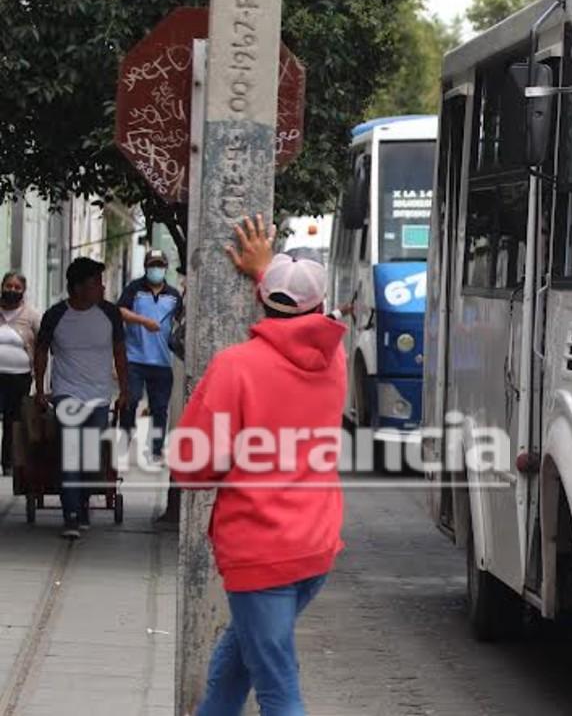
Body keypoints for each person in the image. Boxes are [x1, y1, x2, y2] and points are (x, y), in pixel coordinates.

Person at [172, 215, 347, 716]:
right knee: (236, 666)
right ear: (318, 309)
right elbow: (303, 318)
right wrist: (269, 271)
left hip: (261, 551)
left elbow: (192, 467)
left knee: (278, 689)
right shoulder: (333, 361)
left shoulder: (236, 366)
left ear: (259, 299)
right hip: (315, 545)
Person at [33, 258, 128, 539]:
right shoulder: (56, 315)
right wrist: (40, 389)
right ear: (77, 288)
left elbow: (120, 353)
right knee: (71, 455)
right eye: (95, 283)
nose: (101, 287)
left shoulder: (110, 314)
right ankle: (71, 515)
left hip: (99, 397)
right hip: (67, 395)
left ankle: (83, 502)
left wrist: (125, 390)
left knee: (90, 456)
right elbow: (41, 351)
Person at [118, 249, 182, 466]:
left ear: (165, 267)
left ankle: (155, 450)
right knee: (131, 400)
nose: (156, 269)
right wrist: (143, 321)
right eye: (153, 265)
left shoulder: (174, 295)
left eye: (160, 265)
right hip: (135, 358)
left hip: (162, 360)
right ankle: (124, 439)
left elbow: (181, 320)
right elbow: (120, 311)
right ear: (146, 267)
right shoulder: (134, 290)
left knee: (159, 408)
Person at [0, 271, 40, 478]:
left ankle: (8, 462)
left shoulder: (31, 316)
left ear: (23, 291)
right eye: (8, 286)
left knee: (12, 420)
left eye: (17, 288)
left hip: (19, 376)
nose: (12, 291)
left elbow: (42, 346)